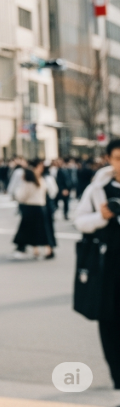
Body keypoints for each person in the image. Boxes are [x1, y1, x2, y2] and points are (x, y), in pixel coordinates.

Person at [74, 139, 120, 389]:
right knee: (109, 323)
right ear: (109, 159)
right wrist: (100, 217)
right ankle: (118, 382)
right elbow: (80, 222)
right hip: (107, 266)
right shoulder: (97, 189)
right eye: (117, 158)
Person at [9, 159, 55, 260]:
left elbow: (21, 196)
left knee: (31, 230)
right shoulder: (41, 181)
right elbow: (51, 192)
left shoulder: (27, 184)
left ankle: (35, 250)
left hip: (30, 208)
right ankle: (48, 250)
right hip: (41, 208)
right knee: (43, 231)